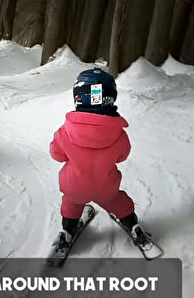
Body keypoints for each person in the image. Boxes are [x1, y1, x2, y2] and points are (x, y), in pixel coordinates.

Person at [49, 68, 154, 251]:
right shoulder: (118, 134)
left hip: (75, 188)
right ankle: (133, 226)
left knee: (72, 204)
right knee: (118, 202)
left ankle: (67, 231)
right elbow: (123, 156)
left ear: (78, 96)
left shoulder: (65, 131)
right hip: (106, 188)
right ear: (110, 97)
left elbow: (56, 154)